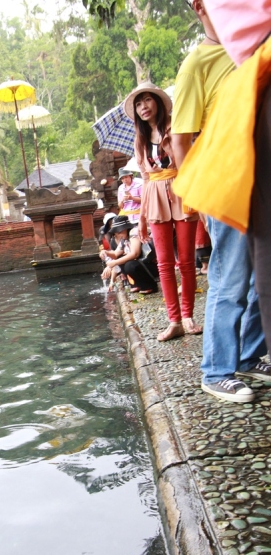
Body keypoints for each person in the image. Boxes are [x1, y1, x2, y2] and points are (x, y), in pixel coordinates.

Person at [172, 0, 271, 403]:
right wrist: (196, 199)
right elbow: (180, 138)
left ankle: (249, 355)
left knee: (260, 275)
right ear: (200, 6)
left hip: (258, 174)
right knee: (230, 278)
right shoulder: (197, 63)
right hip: (224, 177)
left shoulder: (255, 46)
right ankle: (216, 370)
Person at [124, 81, 202, 341]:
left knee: (186, 261)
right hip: (155, 197)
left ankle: (188, 315)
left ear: (157, 102)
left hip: (181, 193)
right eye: (138, 104)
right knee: (164, 263)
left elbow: (187, 161)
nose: (143, 107)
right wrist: (142, 219)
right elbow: (146, 179)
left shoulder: (175, 128)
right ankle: (174, 321)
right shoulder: (140, 140)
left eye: (147, 100)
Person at [100, 216, 158, 294]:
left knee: (130, 265)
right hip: (143, 264)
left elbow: (135, 254)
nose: (117, 235)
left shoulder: (134, 232)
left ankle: (149, 286)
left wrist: (114, 263)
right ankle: (137, 284)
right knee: (122, 261)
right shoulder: (124, 239)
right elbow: (116, 254)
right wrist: (106, 252)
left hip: (152, 264)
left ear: (125, 228)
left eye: (119, 232)